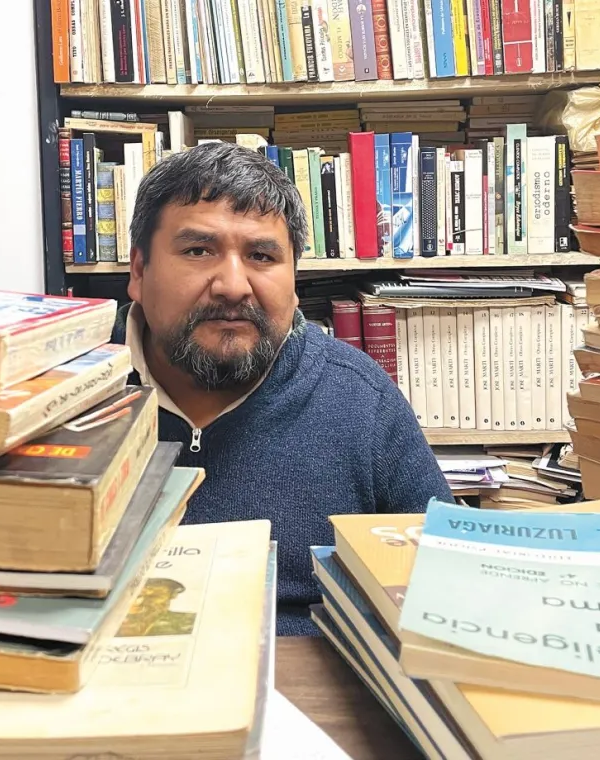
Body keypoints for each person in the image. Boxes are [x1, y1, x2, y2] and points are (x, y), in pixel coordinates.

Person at [110, 141, 453, 635]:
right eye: (198, 250)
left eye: (262, 255)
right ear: (139, 272)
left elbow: (444, 593)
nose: (233, 285)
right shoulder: (69, 395)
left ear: (295, 281)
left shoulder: (359, 400)